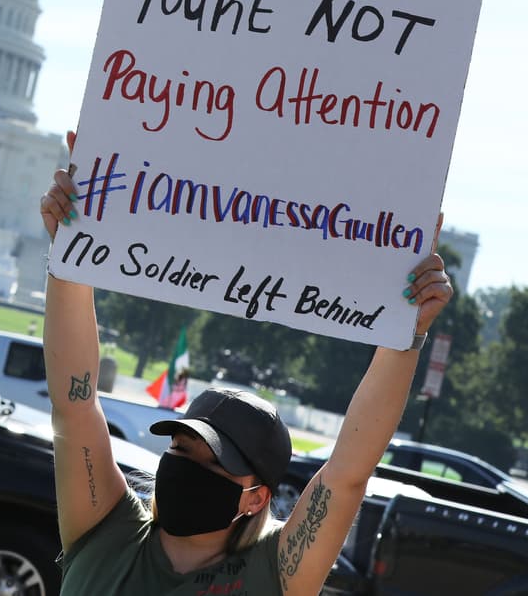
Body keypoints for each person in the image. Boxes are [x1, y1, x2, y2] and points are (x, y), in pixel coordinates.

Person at [38, 133, 453, 596]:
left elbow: (346, 474)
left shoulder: (270, 575)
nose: (183, 468)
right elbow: (75, 405)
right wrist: (71, 254)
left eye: (212, 463)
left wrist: (405, 332)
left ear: (256, 499)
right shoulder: (106, 532)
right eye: (179, 450)